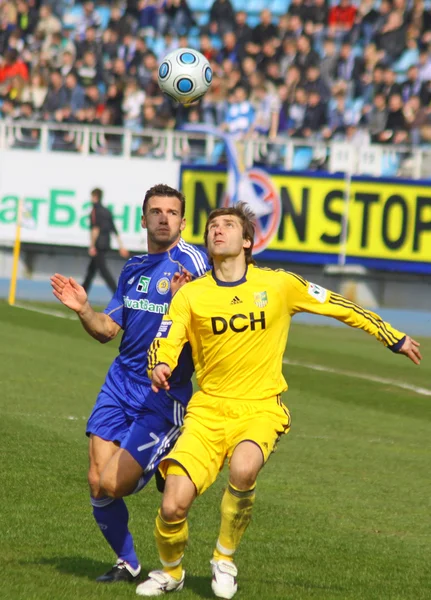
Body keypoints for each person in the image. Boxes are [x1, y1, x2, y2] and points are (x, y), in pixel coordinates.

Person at [137, 203, 422, 598]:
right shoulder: (191, 296)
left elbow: (338, 306)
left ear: (248, 240)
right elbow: (166, 339)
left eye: (227, 226)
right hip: (207, 411)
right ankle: (172, 572)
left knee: (244, 468)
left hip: (260, 407)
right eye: (212, 227)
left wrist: (391, 336)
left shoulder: (278, 284)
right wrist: (161, 365)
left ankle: (224, 557)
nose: (217, 231)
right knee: (172, 507)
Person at [50, 184, 209, 584]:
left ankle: (166, 454)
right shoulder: (133, 267)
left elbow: (216, 314)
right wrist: (84, 309)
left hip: (163, 391)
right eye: (155, 211)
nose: (163, 218)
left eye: (171, 212)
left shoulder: (194, 264)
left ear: (183, 222)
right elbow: (107, 330)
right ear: (143, 219)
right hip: (120, 383)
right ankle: (129, 563)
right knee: (96, 482)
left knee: (112, 483)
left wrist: (189, 300)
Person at [82, 187, 129, 295]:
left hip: (98, 244)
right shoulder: (107, 211)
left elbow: (95, 229)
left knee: (103, 270)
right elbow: (114, 229)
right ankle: (83, 292)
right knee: (91, 270)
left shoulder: (95, 211)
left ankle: (117, 293)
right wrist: (121, 246)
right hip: (106, 243)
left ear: (95, 197)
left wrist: (92, 245)